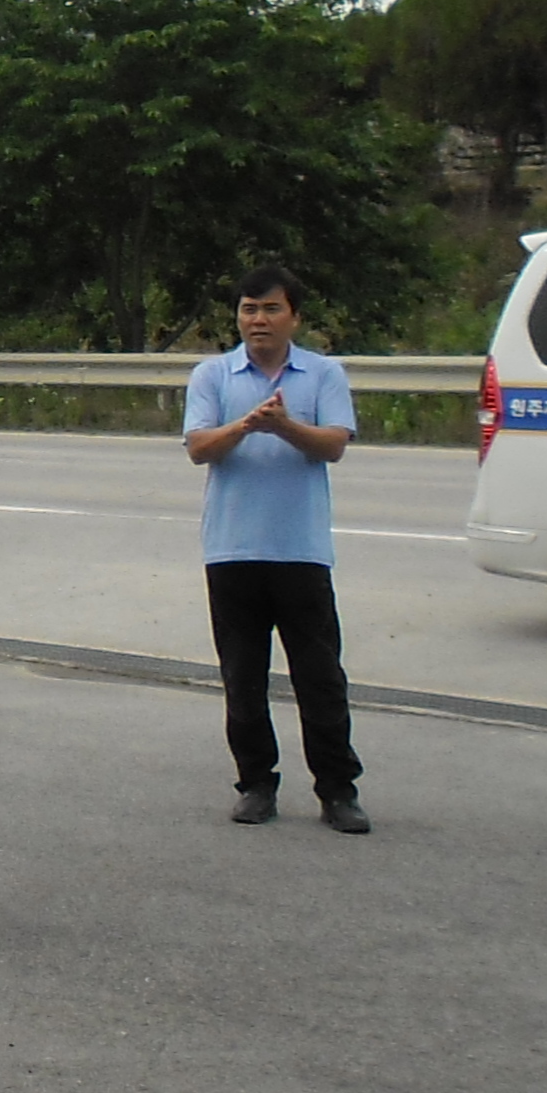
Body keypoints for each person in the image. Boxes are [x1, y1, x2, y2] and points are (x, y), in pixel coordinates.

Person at [183, 262, 367, 834]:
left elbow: (333, 445)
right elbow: (199, 447)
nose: (258, 320)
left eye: (270, 309)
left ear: (294, 317)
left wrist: (285, 425)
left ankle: (337, 790)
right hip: (232, 550)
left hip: (300, 551)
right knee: (243, 678)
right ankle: (256, 784)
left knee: (320, 678)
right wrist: (246, 425)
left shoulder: (323, 373)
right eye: (249, 309)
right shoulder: (213, 375)